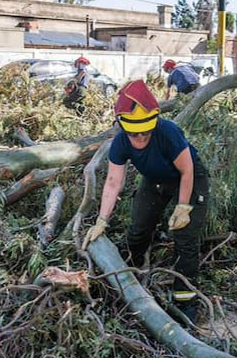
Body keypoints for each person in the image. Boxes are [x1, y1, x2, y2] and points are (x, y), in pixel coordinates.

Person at [82, 80, 210, 321]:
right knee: (138, 230)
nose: (140, 137)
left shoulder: (168, 132)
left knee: (184, 237)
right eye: (134, 134)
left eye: (145, 133)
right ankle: (133, 274)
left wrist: (184, 207)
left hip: (189, 177)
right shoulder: (120, 143)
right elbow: (112, 182)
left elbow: (187, 171)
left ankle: (185, 302)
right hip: (154, 180)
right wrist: (102, 220)